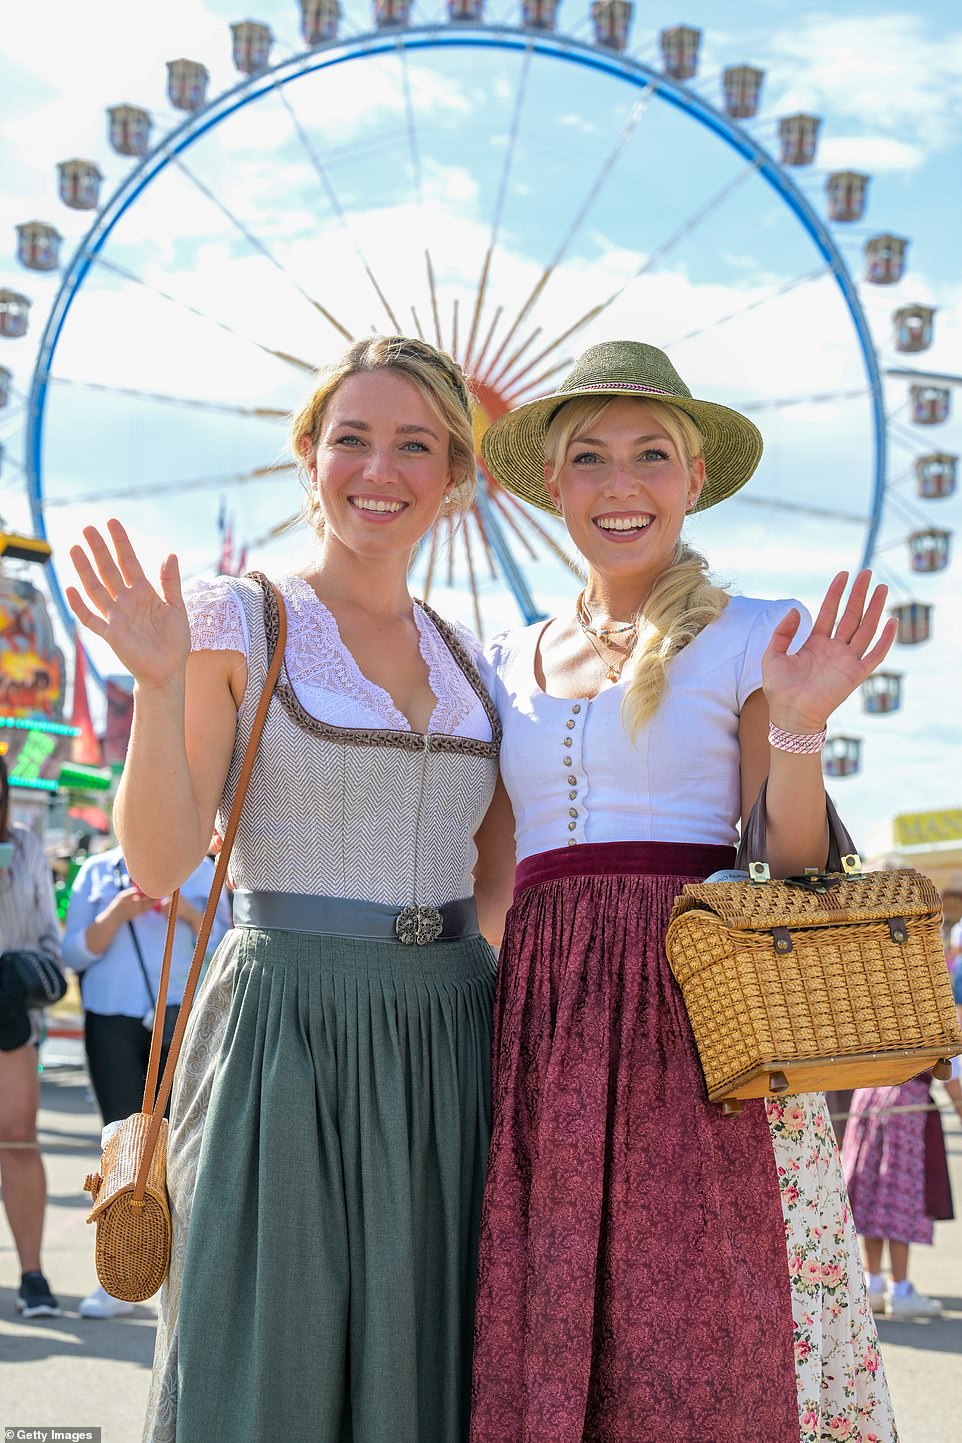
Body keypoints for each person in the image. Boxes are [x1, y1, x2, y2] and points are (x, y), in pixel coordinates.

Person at [66, 336, 500, 1443]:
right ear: (308, 456)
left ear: (454, 477)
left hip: (448, 1032)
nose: (379, 469)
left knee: (424, 1364)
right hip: (282, 1025)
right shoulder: (236, 617)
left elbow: (497, 884)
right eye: (350, 438)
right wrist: (156, 690)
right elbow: (160, 864)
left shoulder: (473, 662)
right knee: (266, 1354)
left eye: (415, 445)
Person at [470, 341, 899, 1442]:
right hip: (547, 1028)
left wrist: (799, 722)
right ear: (551, 486)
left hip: (699, 1017)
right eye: (591, 459)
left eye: (650, 455)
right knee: (558, 1314)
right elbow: (492, 883)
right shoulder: (503, 657)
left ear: (693, 477)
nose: (622, 485)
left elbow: (789, 867)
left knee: (714, 1334)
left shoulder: (756, 632)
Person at [61, 842, 231, 1318]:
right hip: (110, 1020)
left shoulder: (203, 872)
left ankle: (177, 1282)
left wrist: (191, 914)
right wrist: (116, 913)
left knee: (183, 1150)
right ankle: (116, 1276)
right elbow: (73, 952)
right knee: (118, 1147)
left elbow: (232, 956)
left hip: (185, 1018)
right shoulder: (98, 872)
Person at [0, 754, 63, 1318]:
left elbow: (49, 937)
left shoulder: (22, 847)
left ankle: (32, 1273)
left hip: (8, 1012)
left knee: (17, 1140)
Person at [842, 1060, 962, 1318]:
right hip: (905, 1099)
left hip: (868, 1092)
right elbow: (952, 1073)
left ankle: (873, 1283)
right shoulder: (943, 1017)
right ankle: (900, 1288)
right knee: (898, 1191)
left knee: (872, 1189)